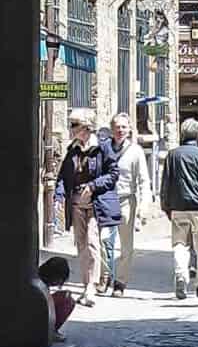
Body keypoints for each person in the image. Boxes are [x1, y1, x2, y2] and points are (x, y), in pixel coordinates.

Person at [55, 114, 121, 306]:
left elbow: (113, 173)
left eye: (74, 125)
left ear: (85, 127)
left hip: (95, 202)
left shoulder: (103, 147)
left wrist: (93, 186)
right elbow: (63, 177)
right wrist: (59, 197)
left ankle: (91, 286)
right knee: (81, 245)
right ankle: (86, 285)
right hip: (76, 203)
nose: (71, 128)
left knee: (92, 242)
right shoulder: (72, 149)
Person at [160, 118, 198, 300]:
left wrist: (166, 205)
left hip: (178, 206)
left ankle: (181, 275)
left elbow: (166, 182)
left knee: (179, 245)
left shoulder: (173, 155)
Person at [111, 114, 150, 296]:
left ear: (129, 130)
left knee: (126, 245)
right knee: (103, 241)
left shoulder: (136, 151)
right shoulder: (105, 148)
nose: (120, 130)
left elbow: (143, 179)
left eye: (123, 127)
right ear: (112, 128)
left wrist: (144, 205)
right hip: (106, 199)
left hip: (126, 200)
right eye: (117, 127)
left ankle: (120, 281)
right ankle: (104, 277)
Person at [38, 253, 77, 336]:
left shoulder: (41, 281)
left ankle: (51, 330)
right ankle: (51, 331)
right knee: (68, 301)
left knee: (68, 300)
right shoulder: (39, 282)